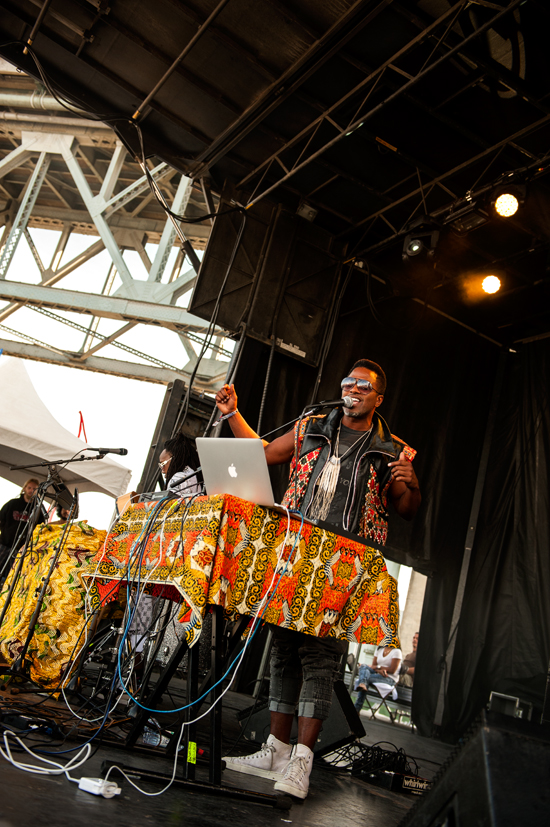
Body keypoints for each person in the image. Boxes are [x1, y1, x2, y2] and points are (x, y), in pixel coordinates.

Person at [214, 358, 421, 799]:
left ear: (378, 398)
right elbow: (264, 452)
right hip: (296, 551)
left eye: (363, 385)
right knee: (283, 650)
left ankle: (302, 762)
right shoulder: (311, 425)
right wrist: (233, 415)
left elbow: (406, 509)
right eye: (349, 382)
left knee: (320, 657)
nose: (353, 389)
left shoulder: (393, 449)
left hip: (344, 563)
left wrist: (412, 483)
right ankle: (275, 751)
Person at [0, 479, 46, 579]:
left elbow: (41, 529)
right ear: (24, 488)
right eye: (29, 488)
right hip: (4, 544)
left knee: (9, 576)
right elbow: (1, 518)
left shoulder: (38, 509)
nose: (31, 490)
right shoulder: (12, 503)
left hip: (21, 550)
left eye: (34, 489)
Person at [354, 644, 402, 712]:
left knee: (365, 677)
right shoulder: (379, 649)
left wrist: (379, 667)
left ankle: (357, 708)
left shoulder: (397, 651)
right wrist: (379, 671)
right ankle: (363, 683)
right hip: (378, 673)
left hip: (389, 678)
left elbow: (392, 670)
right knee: (364, 666)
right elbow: (373, 666)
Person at [159, 433, 202, 497]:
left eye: (163, 464)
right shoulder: (193, 475)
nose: (162, 470)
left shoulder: (178, 477)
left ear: (175, 459)